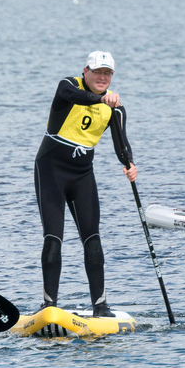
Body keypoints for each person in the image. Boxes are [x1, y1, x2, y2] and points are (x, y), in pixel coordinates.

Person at [34, 51, 137, 316]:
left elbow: (121, 144)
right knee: (53, 238)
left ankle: (100, 306)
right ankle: (49, 306)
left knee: (93, 239)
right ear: (85, 71)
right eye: (97, 72)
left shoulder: (115, 109)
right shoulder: (68, 86)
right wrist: (102, 98)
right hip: (51, 171)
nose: (102, 77)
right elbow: (79, 97)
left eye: (107, 74)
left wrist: (130, 164)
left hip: (82, 175)